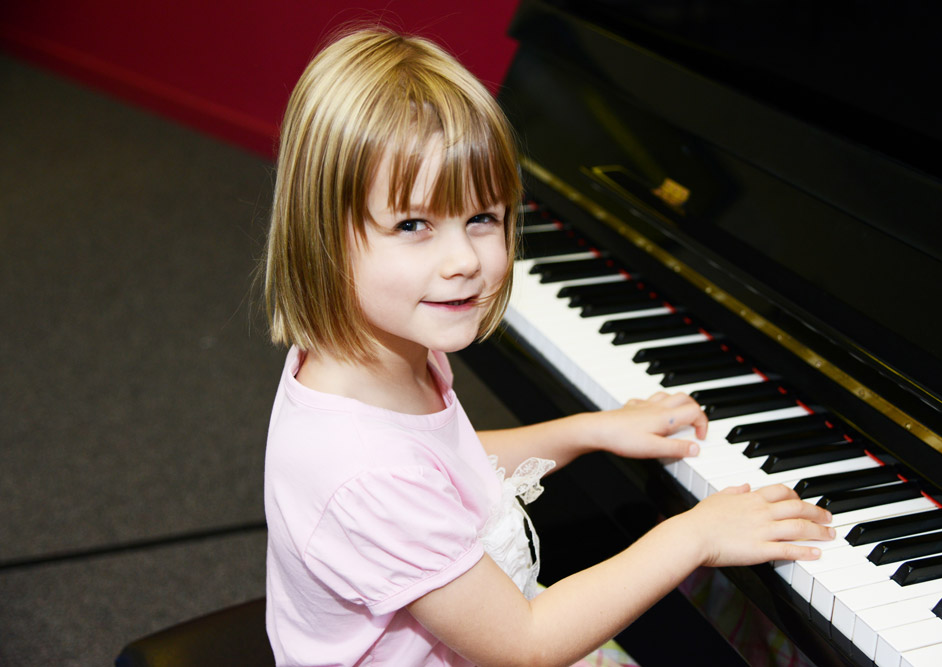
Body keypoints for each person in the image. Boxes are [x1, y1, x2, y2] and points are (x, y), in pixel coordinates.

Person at [261, 27, 834, 667]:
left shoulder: (383, 355)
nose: (463, 261)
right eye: (413, 224)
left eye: (483, 217)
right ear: (322, 235)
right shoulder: (360, 469)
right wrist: (693, 535)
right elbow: (527, 644)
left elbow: (449, 463)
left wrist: (591, 429)